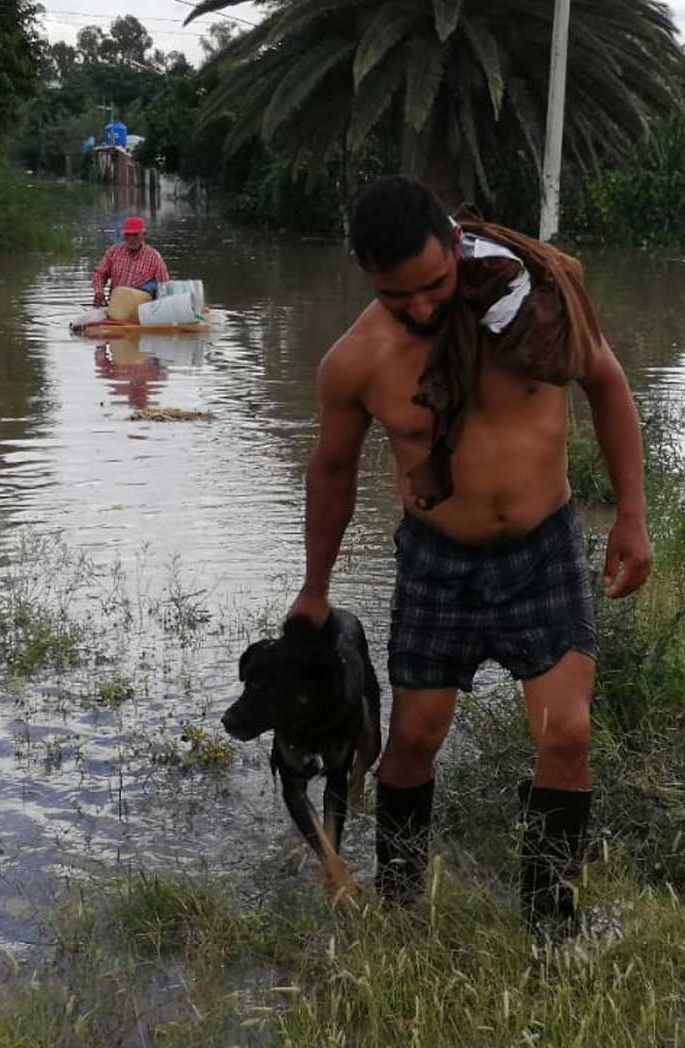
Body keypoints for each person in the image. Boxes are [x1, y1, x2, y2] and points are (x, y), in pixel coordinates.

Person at [287, 176, 652, 939]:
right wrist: (314, 588)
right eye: (397, 296)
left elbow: (609, 387)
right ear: (365, 277)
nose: (422, 308)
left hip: (542, 547)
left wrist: (631, 515)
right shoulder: (356, 363)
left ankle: (550, 927)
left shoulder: (536, 311)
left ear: (457, 247)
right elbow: (332, 471)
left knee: (568, 735)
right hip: (437, 561)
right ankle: (401, 907)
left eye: (434, 286)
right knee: (415, 735)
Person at [91, 217, 170, 308]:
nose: (131, 238)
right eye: (128, 235)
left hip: (140, 309)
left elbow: (165, 286)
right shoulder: (114, 252)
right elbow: (99, 274)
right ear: (124, 235)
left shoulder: (154, 257)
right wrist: (99, 293)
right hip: (116, 306)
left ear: (144, 235)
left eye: (135, 234)